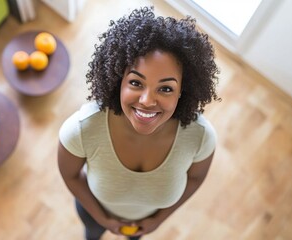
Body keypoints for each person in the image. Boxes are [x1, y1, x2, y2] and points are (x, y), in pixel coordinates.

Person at [57, 6, 220, 240]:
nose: (146, 101)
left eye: (165, 88)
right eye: (136, 83)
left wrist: (158, 220)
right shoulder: (82, 129)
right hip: (94, 214)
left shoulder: (201, 137)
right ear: (118, 79)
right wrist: (102, 219)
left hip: (148, 223)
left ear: (182, 91)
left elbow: (195, 179)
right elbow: (70, 175)